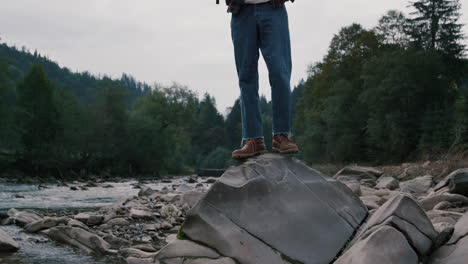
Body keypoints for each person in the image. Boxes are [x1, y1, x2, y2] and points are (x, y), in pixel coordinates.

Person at [222, 0, 299, 160]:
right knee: (246, 77)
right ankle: (253, 139)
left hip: (273, 8)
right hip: (241, 11)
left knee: (280, 71)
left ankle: (281, 136)